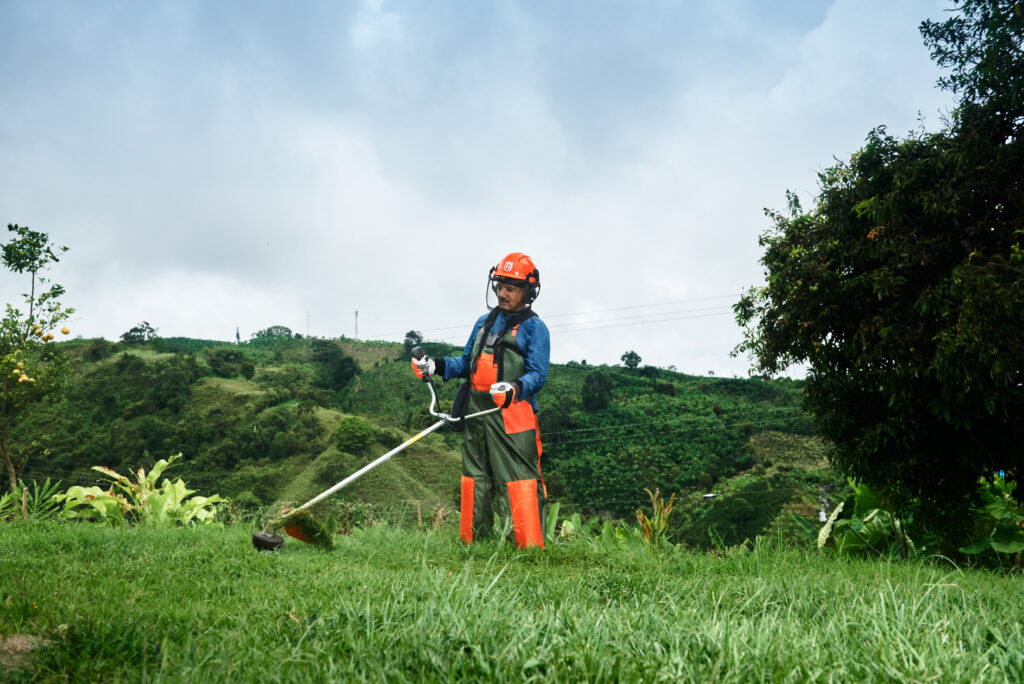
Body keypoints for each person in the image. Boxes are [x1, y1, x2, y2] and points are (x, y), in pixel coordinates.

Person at [412, 252, 550, 548]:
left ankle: (529, 547)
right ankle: (473, 542)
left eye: (510, 288)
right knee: (475, 478)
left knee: (519, 480)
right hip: (476, 412)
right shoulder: (483, 322)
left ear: (527, 292)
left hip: (513, 416)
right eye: (500, 286)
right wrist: (435, 365)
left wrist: (514, 387)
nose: (502, 293)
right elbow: (466, 363)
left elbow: (538, 375)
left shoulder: (535, 329)